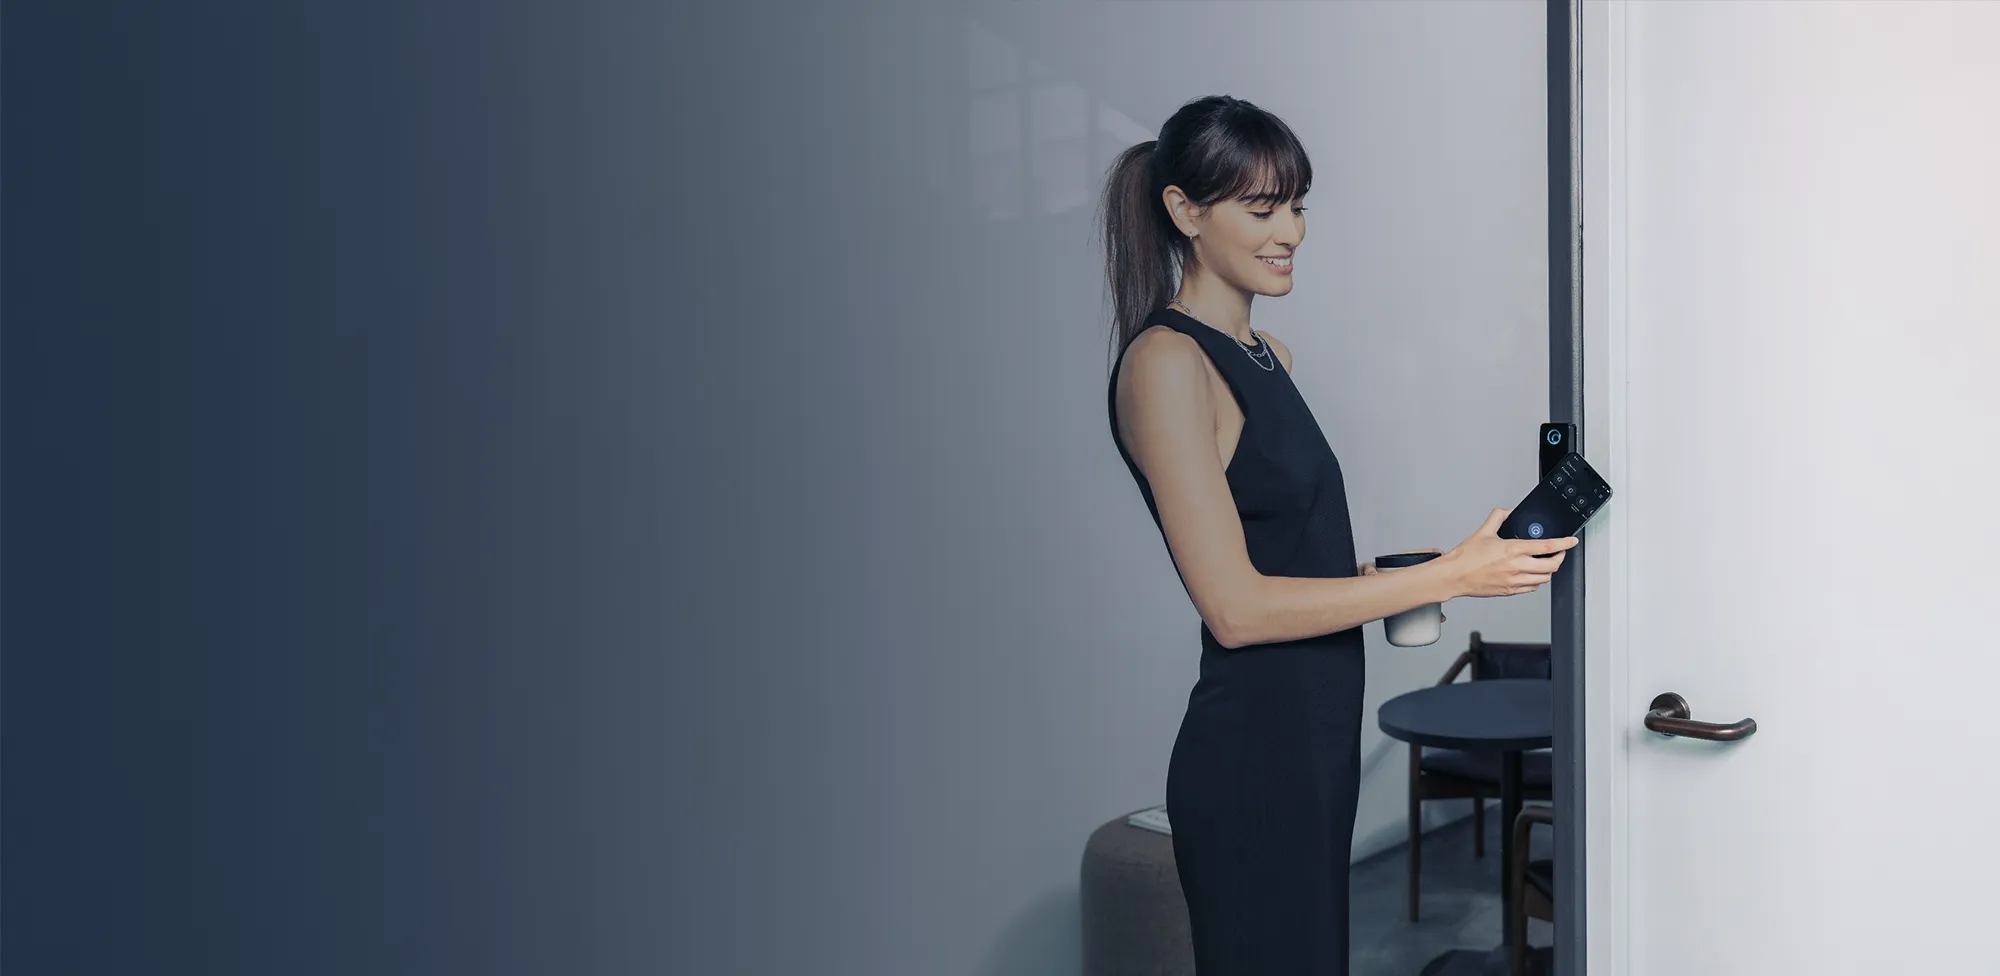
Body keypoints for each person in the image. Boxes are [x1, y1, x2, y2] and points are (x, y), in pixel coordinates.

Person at [1099, 94, 1576, 973]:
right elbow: (1236, 608)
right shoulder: (1166, 364)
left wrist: (1397, 571)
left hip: (1312, 745)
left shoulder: (1267, 354)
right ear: (1183, 210)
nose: (1291, 230)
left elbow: (1278, 556)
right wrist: (1452, 579)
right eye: (1260, 206)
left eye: (1297, 204)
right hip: (1252, 758)